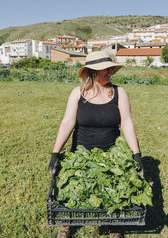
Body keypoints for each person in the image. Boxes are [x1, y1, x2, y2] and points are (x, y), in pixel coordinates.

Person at [48, 50, 144, 238]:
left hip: (112, 158)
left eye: (110, 68)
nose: (109, 71)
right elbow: (67, 122)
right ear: (92, 71)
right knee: (71, 188)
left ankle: (114, 225)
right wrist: (55, 153)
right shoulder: (78, 93)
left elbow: (127, 122)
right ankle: (67, 223)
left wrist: (136, 155)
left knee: (116, 190)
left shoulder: (119, 93)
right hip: (81, 157)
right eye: (105, 69)